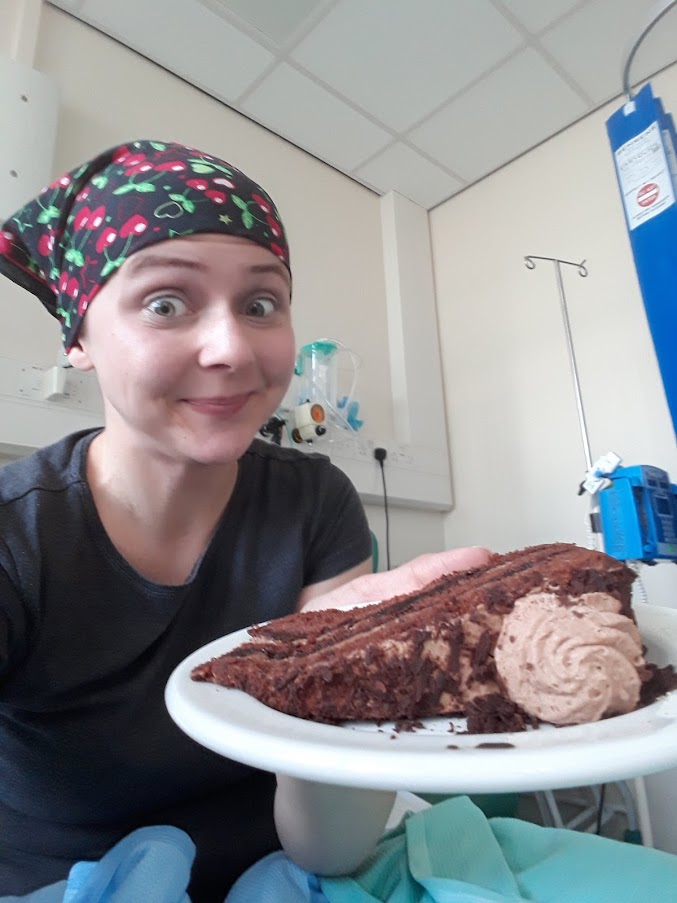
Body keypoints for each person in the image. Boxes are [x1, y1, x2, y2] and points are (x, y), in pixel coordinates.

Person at [0, 139, 488, 901]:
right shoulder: (17, 539)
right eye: (166, 303)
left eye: (260, 304)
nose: (231, 347)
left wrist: (345, 687)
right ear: (79, 336)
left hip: (282, 869)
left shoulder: (313, 500)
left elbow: (328, 847)